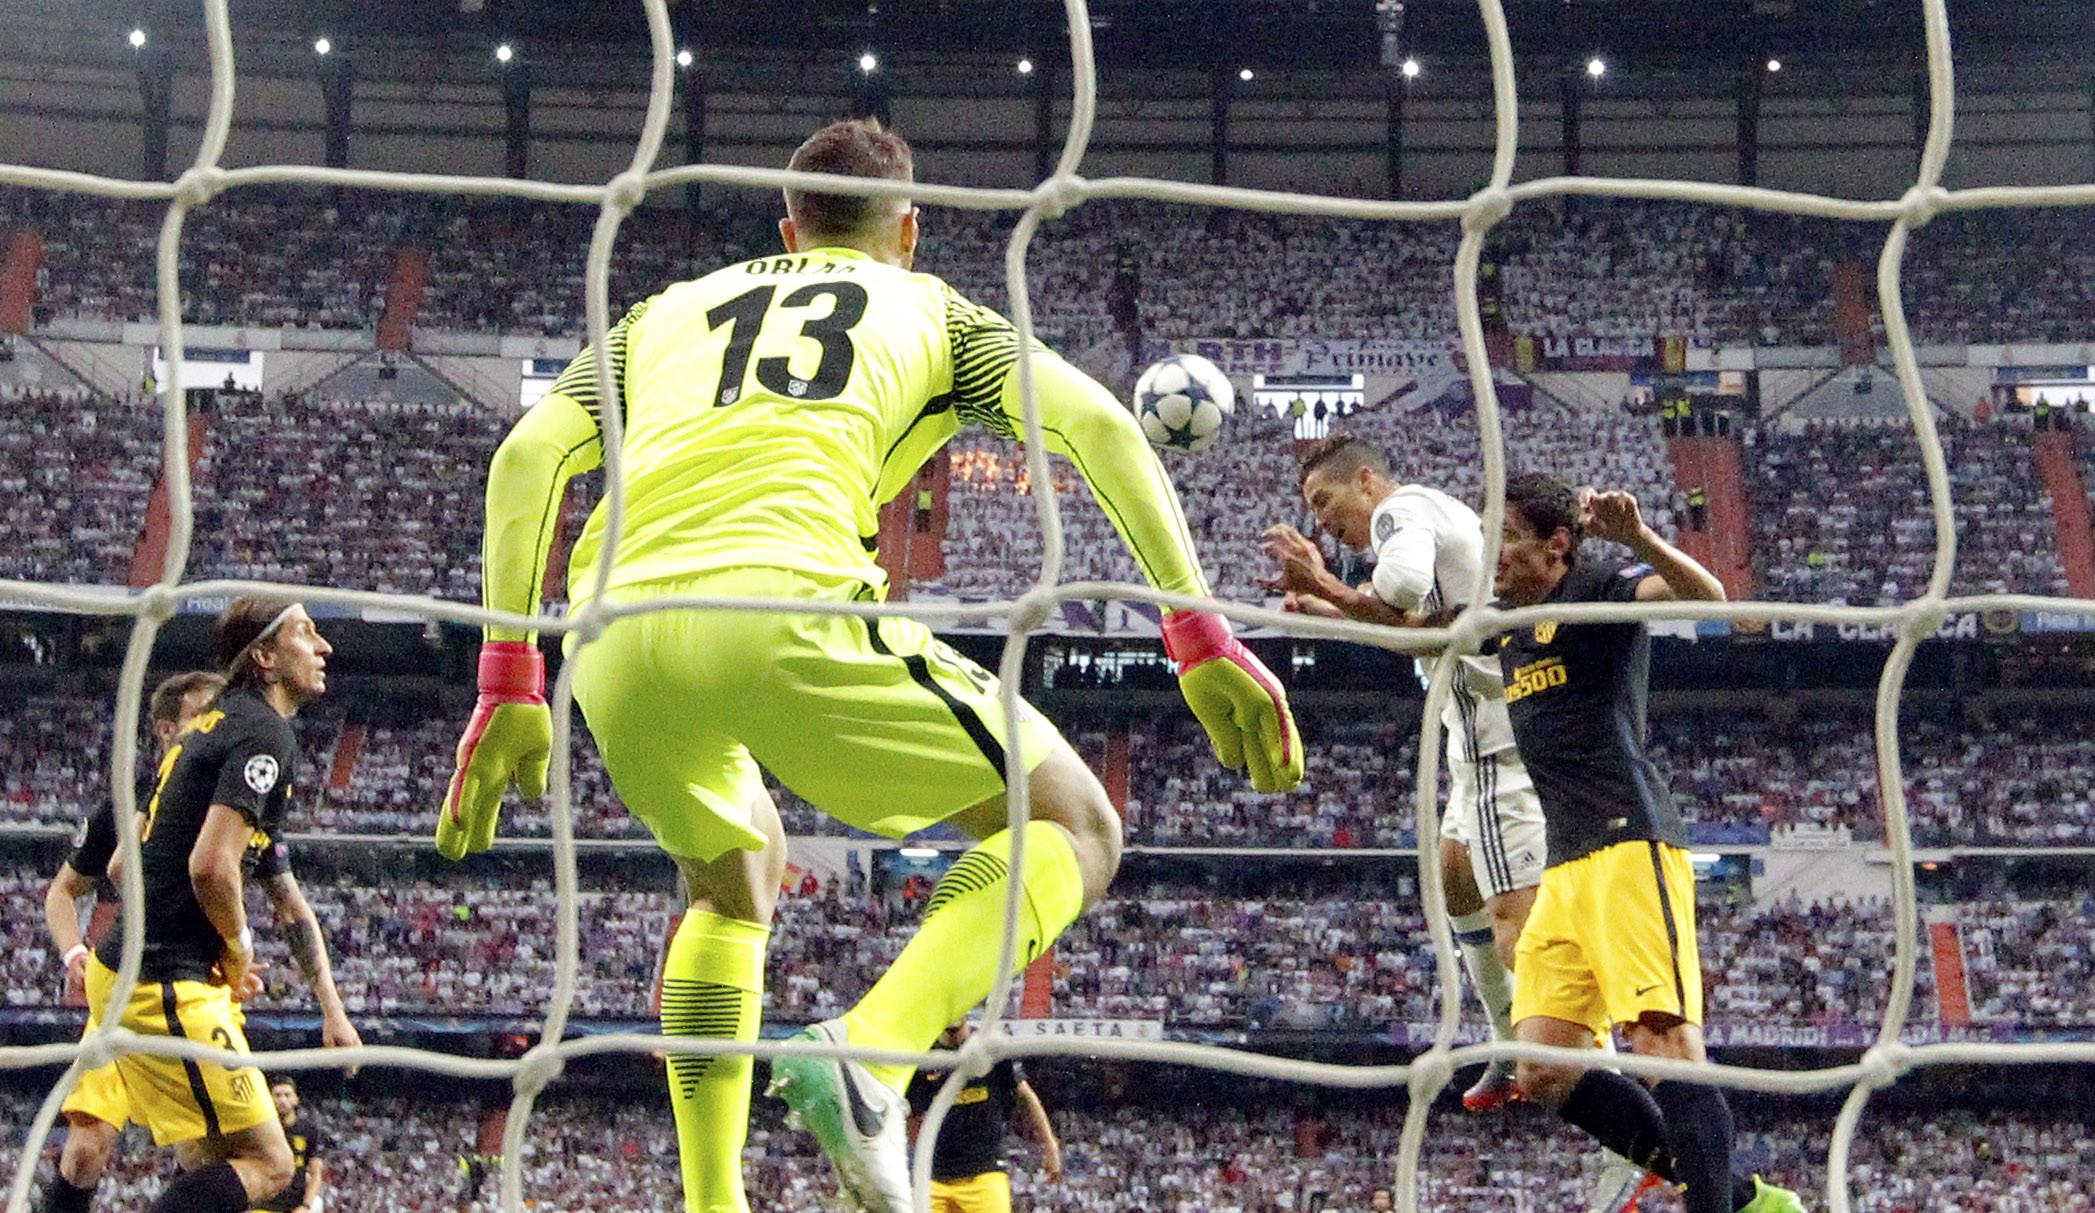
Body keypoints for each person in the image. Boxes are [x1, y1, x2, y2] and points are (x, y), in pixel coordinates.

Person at [438, 116, 1303, 1213]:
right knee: (1077, 826)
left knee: (731, 879)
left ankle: (713, 1202)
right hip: (781, 606)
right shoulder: (934, 308)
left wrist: (507, 677)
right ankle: (872, 1052)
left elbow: (526, 456)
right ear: (910, 229)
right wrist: (1200, 635)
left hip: (608, 637)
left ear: (788, 226)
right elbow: (1099, 428)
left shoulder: (660, 314)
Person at [1260, 437, 1648, 1212]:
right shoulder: (1434, 515)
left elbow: (1397, 591)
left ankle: (1619, 1125)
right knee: (1452, 871)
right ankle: (1509, 1038)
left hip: (1509, 746)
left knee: (1521, 938)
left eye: (1325, 503)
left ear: (1366, 480)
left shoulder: (1400, 513)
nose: (1325, 522)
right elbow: (1417, 630)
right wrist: (1332, 604)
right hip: (1478, 746)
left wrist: (1328, 586)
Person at [1489, 474, 1804, 1213]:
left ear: (1555, 542)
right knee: (1541, 1068)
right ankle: (1740, 1198)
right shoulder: (1500, 620)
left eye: (1502, 537)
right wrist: (1328, 593)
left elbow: (1711, 601)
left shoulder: (1597, 585)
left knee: (1662, 1047)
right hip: (1564, 863)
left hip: (1627, 843)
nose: (1490, 555)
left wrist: (1638, 539)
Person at [84, 597, 355, 1213]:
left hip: (134, 971)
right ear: (263, 655)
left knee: (211, 1164)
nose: (324, 647)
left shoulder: (209, 726)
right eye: (306, 634)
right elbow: (210, 865)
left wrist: (331, 1010)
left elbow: (126, 866)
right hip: (164, 982)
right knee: (271, 1166)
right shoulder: (266, 733)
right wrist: (234, 947)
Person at [39, 671, 226, 1213]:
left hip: (190, 990)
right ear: (168, 730)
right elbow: (62, 893)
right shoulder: (123, 803)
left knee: (204, 1155)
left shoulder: (227, 800)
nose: (217, 725)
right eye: (202, 714)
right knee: (85, 1152)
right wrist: (74, 951)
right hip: (121, 991)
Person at [904, 1021, 1063, 1213]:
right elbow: (913, 1114)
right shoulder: (924, 1056)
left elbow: (1026, 1094)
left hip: (985, 1172)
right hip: (935, 1178)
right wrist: (916, 1162)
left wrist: (1050, 1144)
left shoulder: (989, 1047)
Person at [254, 1076, 327, 1213]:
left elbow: (316, 1173)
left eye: (287, 1095)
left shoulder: (309, 1130)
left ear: (295, 1099)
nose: (282, 1100)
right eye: (277, 1095)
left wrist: (305, 1206)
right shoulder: (258, 1130)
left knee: (317, 1203)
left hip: (295, 1203)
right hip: (264, 1203)